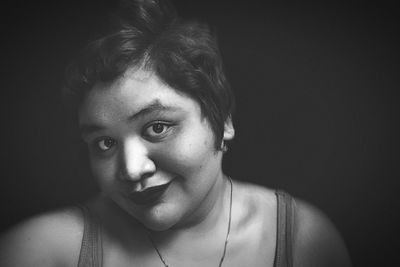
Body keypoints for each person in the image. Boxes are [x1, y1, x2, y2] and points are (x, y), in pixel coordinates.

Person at [0, 0, 352, 266]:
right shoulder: (39, 253)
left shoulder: (305, 241)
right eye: (104, 143)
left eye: (157, 127)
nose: (132, 169)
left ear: (223, 121)